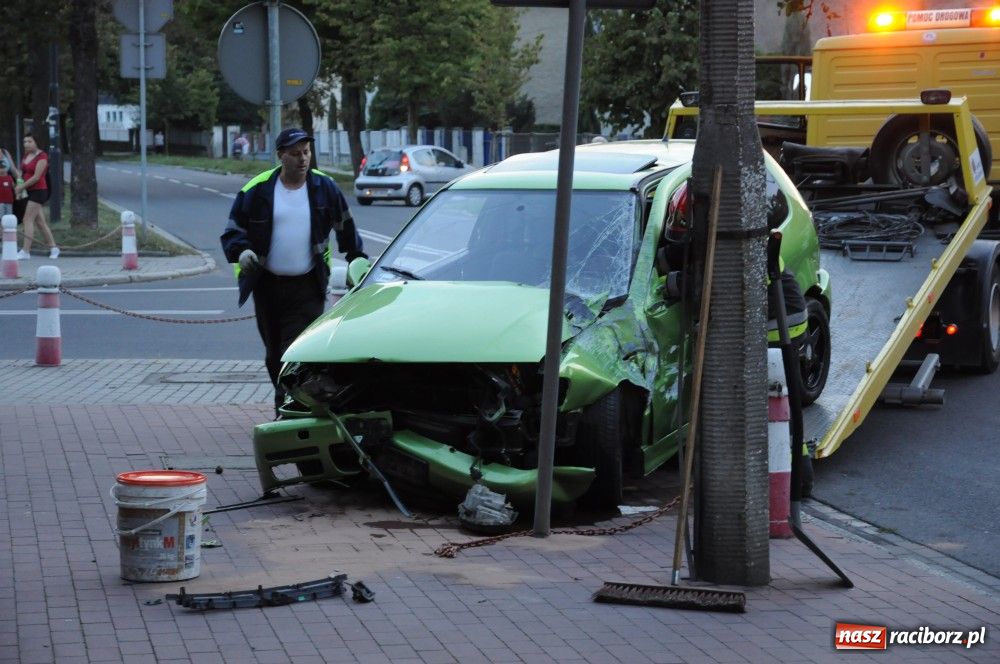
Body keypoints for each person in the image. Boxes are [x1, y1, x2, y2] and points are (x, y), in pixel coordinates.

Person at [220, 127, 366, 416]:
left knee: (295, 351)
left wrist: (356, 259)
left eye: (307, 153)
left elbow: (345, 227)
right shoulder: (258, 190)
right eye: (295, 154)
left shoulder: (325, 188)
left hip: (308, 285)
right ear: (280, 156)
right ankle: (289, 399)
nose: (303, 159)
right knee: (275, 355)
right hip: (266, 286)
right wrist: (242, 252)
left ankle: (286, 409)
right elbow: (233, 231)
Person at [13, 134, 58, 259]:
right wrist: (19, 186)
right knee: (40, 222)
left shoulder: (42, 156)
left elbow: (37, 177)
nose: (26, 144)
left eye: (29, 141)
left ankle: (26, 251)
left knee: (28, 219)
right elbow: (23, 173)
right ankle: (54, 248)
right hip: (28, 191)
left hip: (39, 191)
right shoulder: (26, 155)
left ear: (36, 142)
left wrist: (21, 187)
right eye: (24, 141)